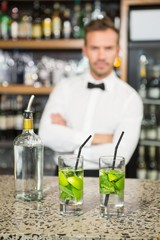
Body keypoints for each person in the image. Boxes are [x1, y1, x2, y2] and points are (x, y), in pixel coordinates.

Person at [39, 16, 143, 176]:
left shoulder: (130, 98)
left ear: (118, 50)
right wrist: (97, 138)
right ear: (85, 50)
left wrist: (71, 145)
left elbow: (120, 155)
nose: (101, 56)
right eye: (95, 48)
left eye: (108, 48)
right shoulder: (64, 87)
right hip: (63, 175)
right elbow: (46, 135)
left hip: (108, 179)